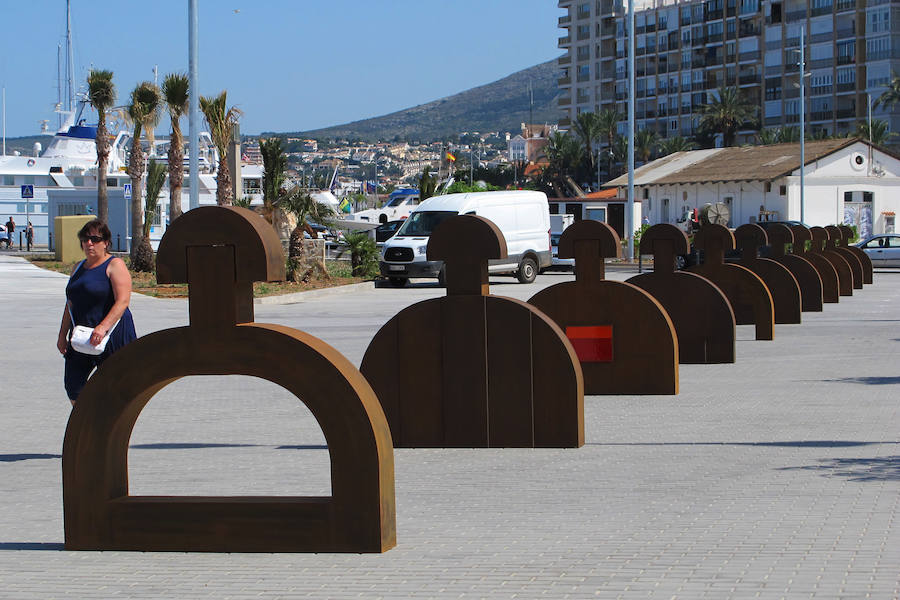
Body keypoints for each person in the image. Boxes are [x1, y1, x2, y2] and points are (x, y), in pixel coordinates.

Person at [56, 219, 137, 405]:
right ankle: (86, 427)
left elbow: (123, 300)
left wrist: (102, 327)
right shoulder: (77, 268)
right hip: (82, 335)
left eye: (95, 239)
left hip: (112, 335)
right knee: (73, 386)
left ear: (106, 242)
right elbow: (70, 304)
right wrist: (62, 335)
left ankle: (108, 428)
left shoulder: (114, 265)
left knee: (116, 385)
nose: (89, 243)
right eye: (85, 239)